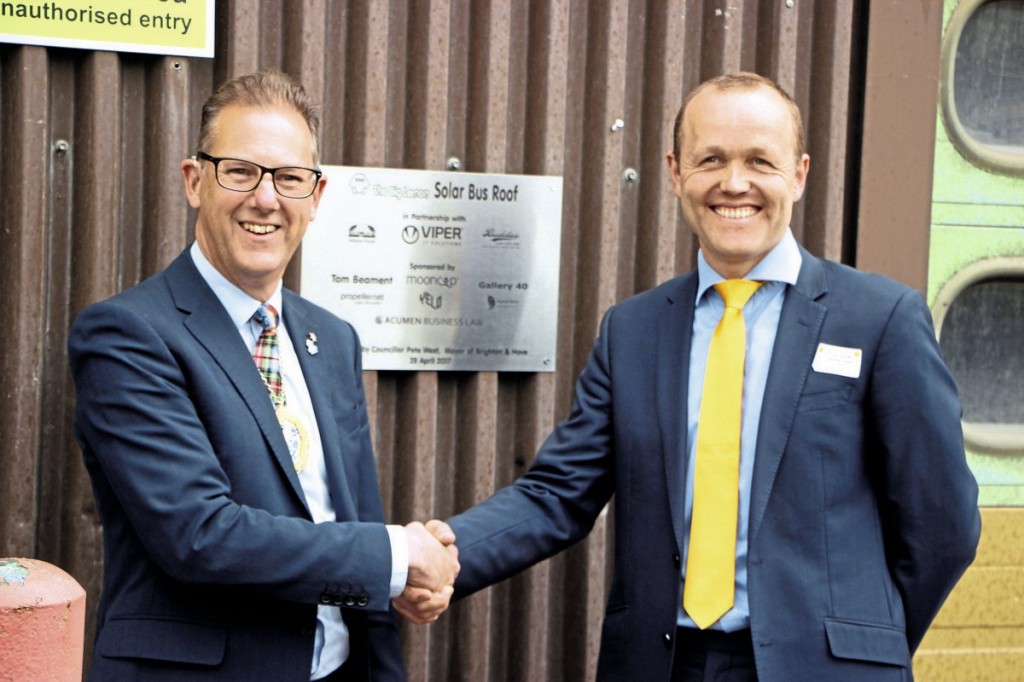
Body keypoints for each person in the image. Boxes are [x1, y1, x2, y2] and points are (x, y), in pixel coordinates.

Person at [395, 72, 980, 681]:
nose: (734, 183)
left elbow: (945, 522)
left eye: (760, 161)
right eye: (711, 160)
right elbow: (557, 494)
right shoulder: (634, 331)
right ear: (676, 173)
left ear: (800, 175)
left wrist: (869, 642)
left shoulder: (879, 319)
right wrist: (442, 556)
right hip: (663, 664)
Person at [69, 70, 458, 682]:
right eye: (241, 171)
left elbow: (346, 516)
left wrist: (396, 581)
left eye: (289, 178)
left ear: (316, 196)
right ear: (195, 181)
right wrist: (395, 555)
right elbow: (199, 534)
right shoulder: (127, 335)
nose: (266, 198)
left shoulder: (331, 339)